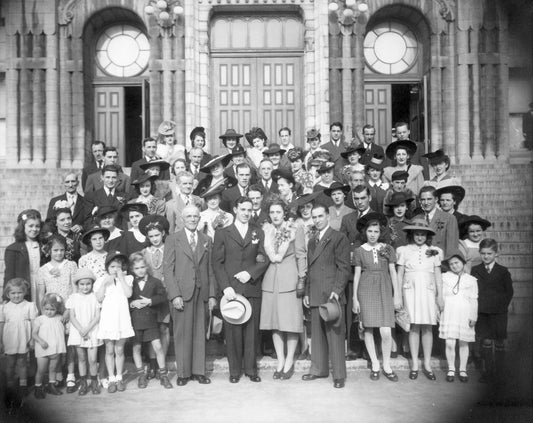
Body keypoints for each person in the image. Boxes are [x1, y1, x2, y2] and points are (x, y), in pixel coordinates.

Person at [212, 197, 270, 383]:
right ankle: (234, 371)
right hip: (231, 290)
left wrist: (250, 273)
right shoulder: (223, 233)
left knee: (251, 331)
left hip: (251, 287)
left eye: (249, 210)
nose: (246, 213)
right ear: (235, 209)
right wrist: (225, 286)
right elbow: (217, 263)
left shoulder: (257, 232)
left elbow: (263, 257)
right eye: (243, 209)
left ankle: (251, 370)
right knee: (233, 331)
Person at [164, 205, 217, 385]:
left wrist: (211, 295)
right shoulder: (173, 239)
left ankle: (198, 371)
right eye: (189, 217)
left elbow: (210, 269)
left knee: (200, 333)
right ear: (182, 219)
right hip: (182, 293)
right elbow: (168, 270)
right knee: (182, 334)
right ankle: (183, 373)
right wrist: (174, 295)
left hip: (201, 292)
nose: (193, 219)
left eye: (196, 216)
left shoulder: (206, 239)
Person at [302, 204, 350, 388]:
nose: (317, 220)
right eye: (314, 217)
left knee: (335, 335)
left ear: (328, 216)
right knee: (317, 335)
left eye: (320, 216)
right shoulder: (312, 240)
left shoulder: (339, 238)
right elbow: (310, 268)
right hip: (315, 291)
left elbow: (344, 267)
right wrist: (307, 291)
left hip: (331, 294)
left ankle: (339, 375)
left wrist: (337, 291)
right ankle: (318, 370)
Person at [352, 213, 401, 382]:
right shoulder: (359, 251)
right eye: (370, 231)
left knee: (386, 331)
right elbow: (357, 275)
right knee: (368, 329)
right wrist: (354, 299)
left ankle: (386, 365)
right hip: (366, 289)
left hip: (384, 288)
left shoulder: (387, 248)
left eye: (376, 231)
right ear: (365, 232)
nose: (373, 234)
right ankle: (375, 364)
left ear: (380, 233)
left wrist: (397, 296)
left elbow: (393, 272)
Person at [260, 201, 306, 379]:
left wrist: (302, 278)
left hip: (290, 278)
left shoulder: (295, 229)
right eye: (272, 212)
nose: (275, 215)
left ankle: (289, 362)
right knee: (275, 323)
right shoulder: (266, 231)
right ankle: (280, 361)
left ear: (284, 213)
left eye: (278, 211)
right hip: (271, 279)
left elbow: (301, 255)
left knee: (290, 323)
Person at [396, 220, 443, 381]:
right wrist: (398, 294)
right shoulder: (404, 251)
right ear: (411, 235)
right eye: (417, 234)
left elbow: (437, 275)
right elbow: (400, 273)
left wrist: (440, 295)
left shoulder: (434, 251)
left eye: (423, 234)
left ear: (427, 236)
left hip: (428, 291)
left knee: (427, 327)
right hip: (410, 290)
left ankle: (427, 364)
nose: (420, 237)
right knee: (414, 326)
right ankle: (415, 363)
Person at [471, 238, 514, 384]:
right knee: (486, 341)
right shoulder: (475, 270)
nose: (486, 256)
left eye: (489, 253)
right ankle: (488, 372)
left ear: (496, 254)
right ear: (480, 253)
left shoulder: (503, 271)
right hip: (482, 313)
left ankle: (500, 373)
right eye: (483, 253)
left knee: (500, 342)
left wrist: (500, 308)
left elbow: (509, 292)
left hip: (498, 313)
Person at [127, 253, 172, 389]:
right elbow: (124, 298)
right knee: (137, 347)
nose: (140, 270)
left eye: (142, 267)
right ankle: (141, 375)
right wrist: (132, 303)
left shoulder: (155, 282)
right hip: (136, 320)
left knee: (157, 346)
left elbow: (162, 297)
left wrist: (150, 301)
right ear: (132, 269)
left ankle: (163, 375)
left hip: (150, 320)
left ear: (146, 267)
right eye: (137, 268)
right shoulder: (130, 283)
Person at [94, 251, 134, 393]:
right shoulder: (101, 280)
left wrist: (121, 278)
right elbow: (98, 298)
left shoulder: (128, 278)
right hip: (108, 319)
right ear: (107, 268)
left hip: (121, 318)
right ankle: (111, 378)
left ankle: (119, 377)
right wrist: (105, 283)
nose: (115, 269)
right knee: (109, 350)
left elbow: (128, 294)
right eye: (112, 267)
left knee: (119, 349)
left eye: (118, 266)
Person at [139, 215, 172, 378]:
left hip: (165, 295)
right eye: (151, 236)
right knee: (151, 331)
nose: (154, 239)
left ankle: (162, 364)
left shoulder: (171, 249)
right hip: (150, 296)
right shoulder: (144, 252)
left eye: (157, 235)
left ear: (163, 234)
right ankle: (152, 363)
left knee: (164, 328)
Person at [439, 252, 478, 383]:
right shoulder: (444, 277)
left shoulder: (471, 280)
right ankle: (451, 368)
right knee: (450, 342)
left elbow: (474, 299)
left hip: (465, 313)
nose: (454, 266)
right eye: (451, 264)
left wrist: (473, 315)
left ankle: (462, 369)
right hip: (449, 312)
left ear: (463, 263)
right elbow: (440, 296)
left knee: (463, 342)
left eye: (457, 263)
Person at [65, 268, 102, 395]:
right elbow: (72, 316)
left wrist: (87, 329)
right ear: (77, 285)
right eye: (82, 284)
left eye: (88, 284)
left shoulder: (95, 297)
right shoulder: (73, 298)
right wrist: (81, 329)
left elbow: (97, 316)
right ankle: (83, 383)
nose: (85, 287)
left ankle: (94, 382)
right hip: (78, 331)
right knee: (81, 358)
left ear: (92, 284)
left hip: (92, 331)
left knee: (92, 359)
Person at [0, 278, 38, 399]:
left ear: (25, 292)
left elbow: (34, 324)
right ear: (7, 294)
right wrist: (0, 341)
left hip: (24, 338)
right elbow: (1, 325)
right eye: (13, 293)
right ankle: (10, 385)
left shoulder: (29, 305)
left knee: (22, 362)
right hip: (10, 339)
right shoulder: (4, 308)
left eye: (19, 292)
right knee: (10, 363)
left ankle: (23, 385)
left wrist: (32, 339)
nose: (16, 295)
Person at [4, 209, 44, 301]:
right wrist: (6, 297)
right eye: (31, 226)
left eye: (37, 226)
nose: (34, 229)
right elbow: (9, 275)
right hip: (25, 286)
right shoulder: (13, 249)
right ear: (23, 227)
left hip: (41, 285)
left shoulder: (43, 246)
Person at [32, 293, 67, 398]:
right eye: (46, 309)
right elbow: (34, 334)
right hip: (43, 348)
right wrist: (41, 341)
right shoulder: (40, 319)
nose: (49, 312)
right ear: (42, 307)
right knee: (41, 370)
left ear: (57, 309)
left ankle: (52, 386)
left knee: (53, 369)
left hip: (55, 348)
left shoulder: (60, 318)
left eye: (52, 309)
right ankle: (38, 387)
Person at [416, 186, 460, 258]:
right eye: (423, 199)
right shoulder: (416, 219)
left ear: (436, 199)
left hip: (440, 262)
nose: (426, 203)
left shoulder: (449, 218)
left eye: (429, 199)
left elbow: (452, 247)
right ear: (420, 201)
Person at [36, 234, 77, 308]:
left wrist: (70, 309)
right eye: (55, 250)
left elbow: (75, 290)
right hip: (51, 309)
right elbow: (41, 294)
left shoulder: (71, 265)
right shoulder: (42, 270)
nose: (59, 253)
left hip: (68, 307)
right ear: (49, 250)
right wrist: (43, 310)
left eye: (62, 250)